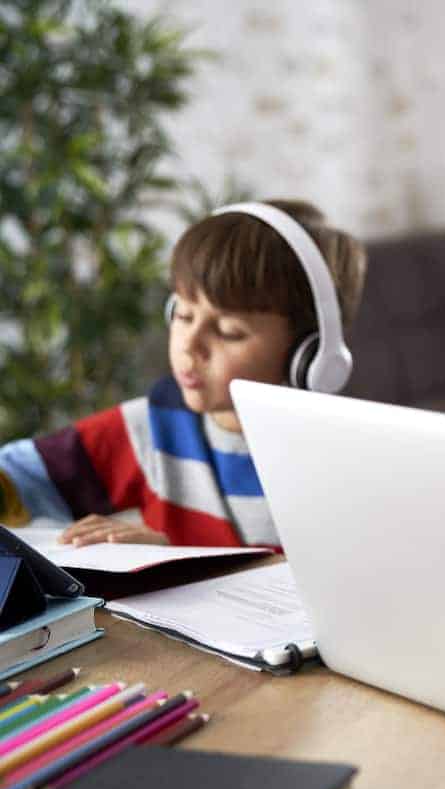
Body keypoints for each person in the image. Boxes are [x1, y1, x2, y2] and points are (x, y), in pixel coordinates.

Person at [0, 199, 367, 549]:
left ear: (309, 354)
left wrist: (172, 556)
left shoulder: (339, 461)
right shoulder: (154, 425)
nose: (189, 345)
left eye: (228, 331)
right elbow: (17, 477)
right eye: (184, 315)